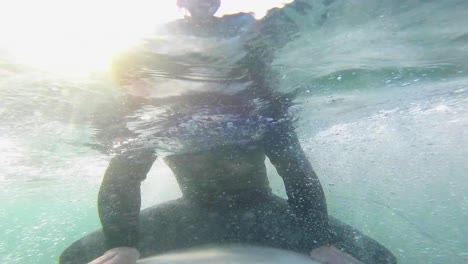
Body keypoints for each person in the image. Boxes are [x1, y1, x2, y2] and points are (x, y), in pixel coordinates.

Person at [60, 1, 396, 263]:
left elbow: (296, 172)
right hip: (192, 214)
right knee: (75, 257)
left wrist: (318, 242)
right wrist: (122, 243)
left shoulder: (259, 107)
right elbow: (124, 175)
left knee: (380, 258)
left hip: (264, 212)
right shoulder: (156, 113)